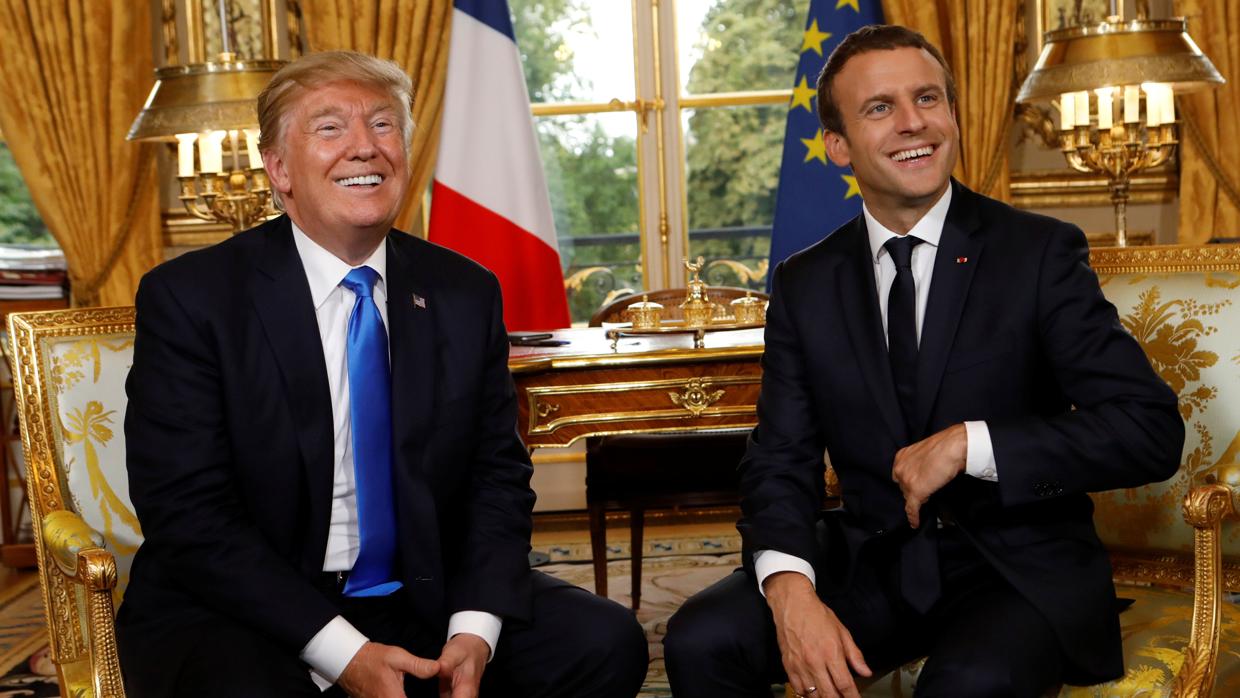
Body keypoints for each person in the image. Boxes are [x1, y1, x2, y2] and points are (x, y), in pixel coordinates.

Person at [663, 24, 1184, 698]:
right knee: (701, 639)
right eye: (881, 108)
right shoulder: (805, 282)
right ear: (840, 147)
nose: (914, 123)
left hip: (1015, 570)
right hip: (872, 562)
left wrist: (973, 444)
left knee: (965, 686)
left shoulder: (1039, 255)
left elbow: (1149, 430)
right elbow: (779, 459)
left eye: (929, 99)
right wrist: (791, 591)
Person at [116, 50, 647, 698]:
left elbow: (495, 479)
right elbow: (190, 516)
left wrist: (475, 628)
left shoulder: (463, 291)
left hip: (423, 586)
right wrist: (344, 653)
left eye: (383, 125)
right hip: (244, 605)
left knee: (604, 646)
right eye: (331, 127)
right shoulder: (193, 298)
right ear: (278, 168)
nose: (364, 147)